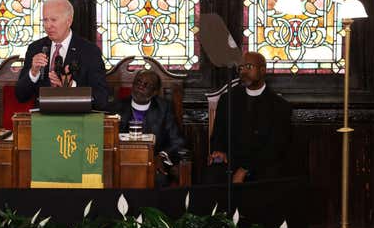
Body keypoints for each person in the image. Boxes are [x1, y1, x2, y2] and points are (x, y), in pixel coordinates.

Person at [205, 51, 292, 184]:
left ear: (263, 70)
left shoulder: (279, 106)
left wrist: (245, 169)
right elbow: (218, 134)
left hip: (262, 164)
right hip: (231, 161)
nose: (243, 72)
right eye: (240, 68)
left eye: (249, 67)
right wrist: (219, 150)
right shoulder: (227, 99)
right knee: (212, 175)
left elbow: (276, 147)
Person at [15, 0, 108, 110]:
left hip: (77, 120)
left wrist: (71, 86)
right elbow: (21, 96)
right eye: (45, 20)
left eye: (53, 20)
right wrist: (33, 73)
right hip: (44, 119)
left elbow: (101, 100)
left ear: (69, 21)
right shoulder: (36, 48)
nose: (48, 26)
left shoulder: (89, 51)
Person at [110, 70, 185, 186]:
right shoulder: (117, 106)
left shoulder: (164, 109)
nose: (140, 87)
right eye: (138, 82)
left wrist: (161, 156)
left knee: (159, 178)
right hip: (122, 161)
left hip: (154, 161)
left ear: (154, 92)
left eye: (146, 85)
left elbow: (177, 141)